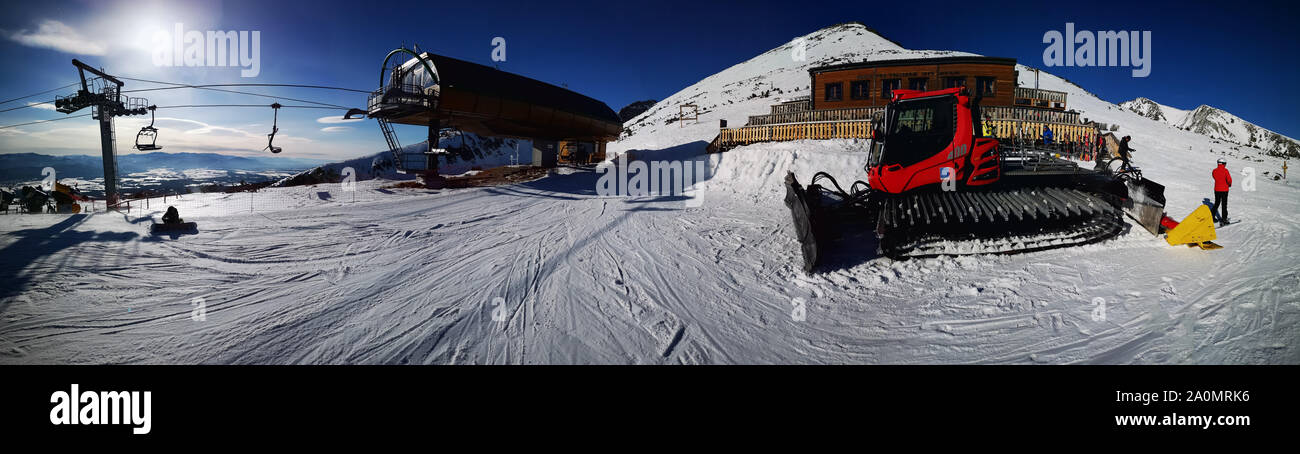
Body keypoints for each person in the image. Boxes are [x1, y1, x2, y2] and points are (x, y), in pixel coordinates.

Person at [1212, 158, 1232, 226]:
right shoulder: (1226, 171)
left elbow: (1215, 177)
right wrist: (1229, 184)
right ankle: (1224, 219)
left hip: (1217, 189)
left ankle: (1212, 216)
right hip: (1224, 190)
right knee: (1224, 204)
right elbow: (1229, 180)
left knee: (1217, 203)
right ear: (1223, 164)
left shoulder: (1214, 171)